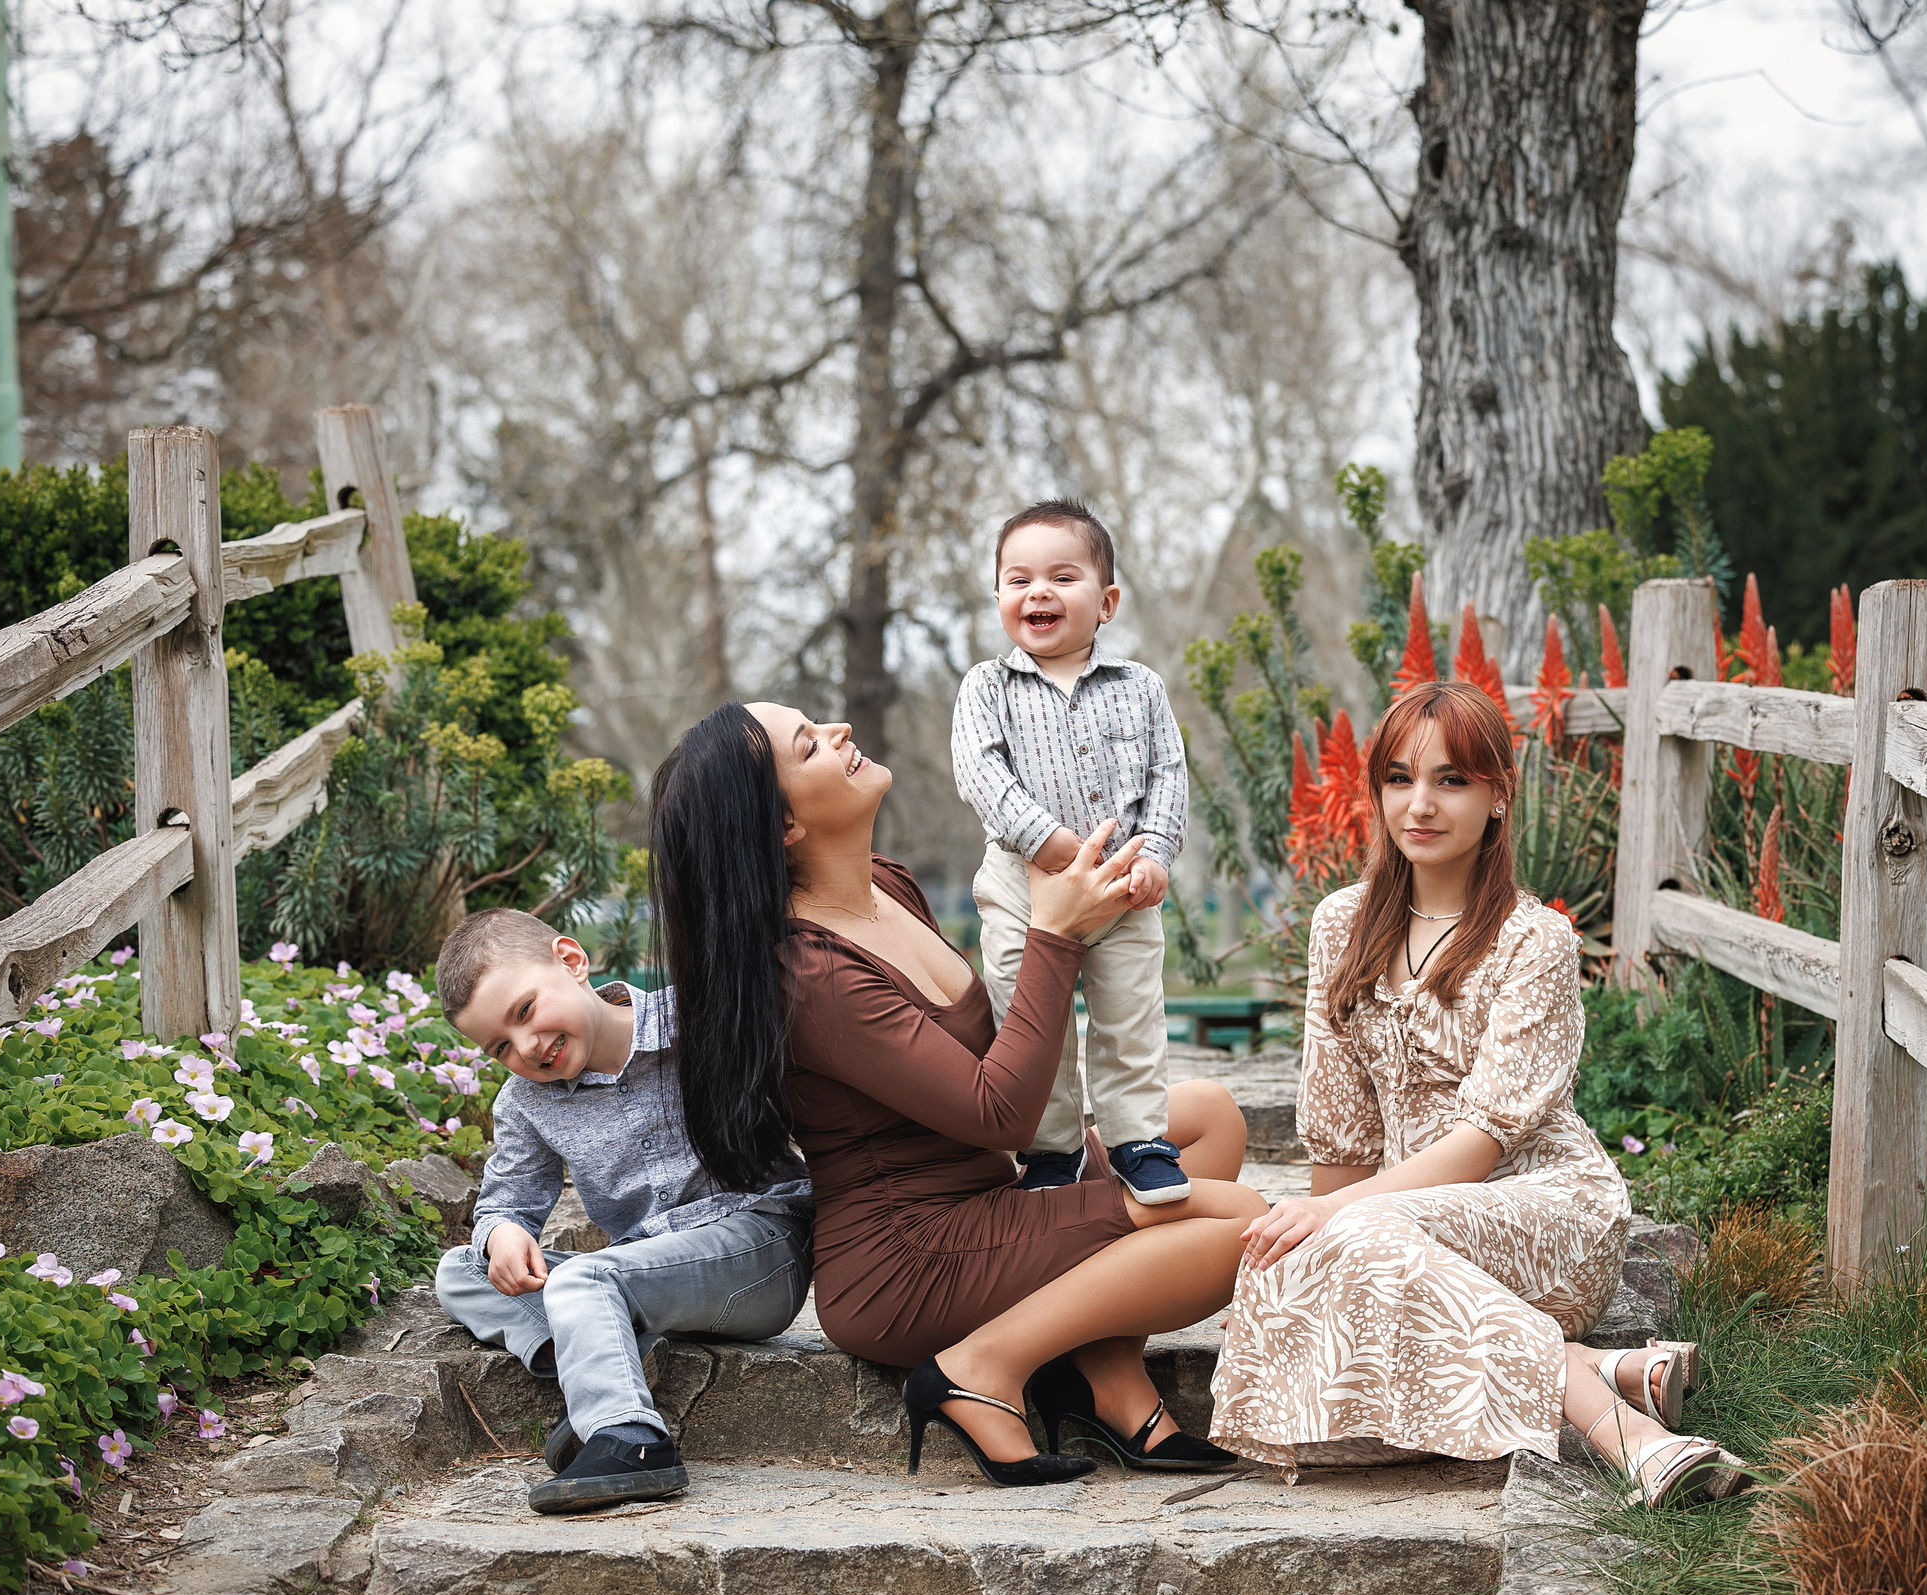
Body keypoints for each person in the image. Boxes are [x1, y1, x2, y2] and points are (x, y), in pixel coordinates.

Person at [649, 701, 1269, 1487]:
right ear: (783, 829)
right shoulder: (810, 976)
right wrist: (1055, 936)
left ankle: (1106, 1380)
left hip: (982, 1198)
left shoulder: (887, 887)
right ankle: (981, 1365)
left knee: (1206, 1116)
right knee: (1241, 1223)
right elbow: (998, 1111)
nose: (840, 729)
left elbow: (989, 1069)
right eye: (808, 744)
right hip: (909, 1259)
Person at [1209, 683, 1750, 1506]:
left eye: (1452, 781)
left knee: (1344, 1232)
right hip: (1402, 1228)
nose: (1419, 805)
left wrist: (1336, 1222)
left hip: (1545, 1214)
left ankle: (1629, 1436)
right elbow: (1343, 1141)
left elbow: (1486, 1141)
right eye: (1399, 779)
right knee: (1302, 1273)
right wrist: (1318, 1258)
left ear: (1499, 795)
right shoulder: (1339, 926)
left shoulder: (1535, 940)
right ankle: (1596, 1367)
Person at [434, 908, 814, 1514]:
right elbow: (506, 1198)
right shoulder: (527, 1102)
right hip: (646, 1278)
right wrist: (503, 1230)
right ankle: (613, 1357)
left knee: (587, 1276)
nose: (527, 1047)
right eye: (500, 1045)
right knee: (463, 1268)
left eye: (525, 1012)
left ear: (572, 961)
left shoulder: (698, 1021)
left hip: (757, 1246)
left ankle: (632, 1442)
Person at [950, 499, 1190, 1204]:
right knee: (1028, 1014)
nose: (1039, 593)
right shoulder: (987, 688)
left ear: (1106, 600)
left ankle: (1137, 1137)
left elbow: (1167, 776)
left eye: (1062, 576)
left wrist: (1154, 856)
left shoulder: (1139, 688)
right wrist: (1052, 846)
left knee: (1131, 1013)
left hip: (1121, 881)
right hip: (1025, 885)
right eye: (1018, 580)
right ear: (998, 598)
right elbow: (982, 774)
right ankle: (1051, 1148)